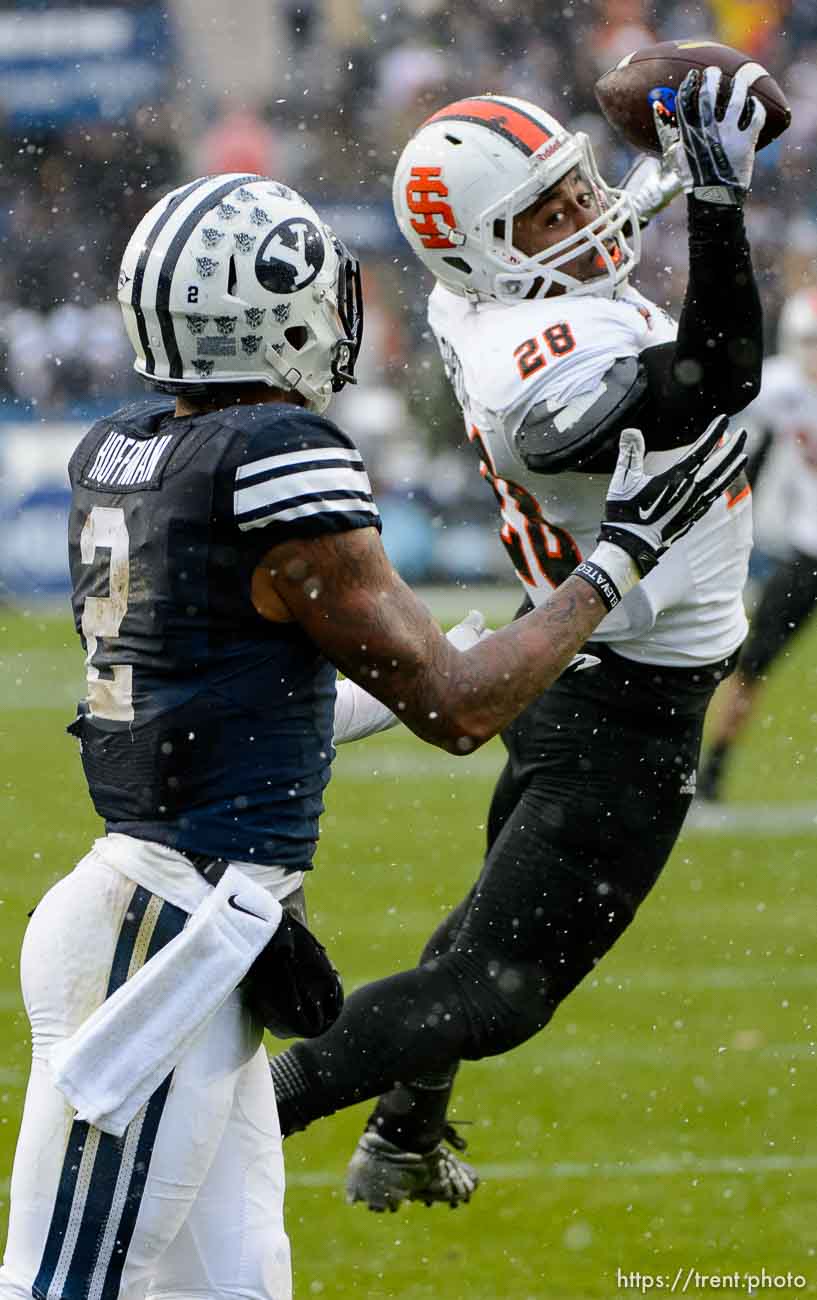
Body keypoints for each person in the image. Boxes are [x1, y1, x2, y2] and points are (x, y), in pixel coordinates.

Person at [0, 176, 741, 1300]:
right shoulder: (271, 454)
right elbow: (460, 708)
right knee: (67, 1283)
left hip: (176, 915)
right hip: (166, 931)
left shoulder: (127, 447)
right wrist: (617, 562)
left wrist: (434, 661)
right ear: (272, 311)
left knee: (234, 1288)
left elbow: (226, 705)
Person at [268, 70, 768, 1212]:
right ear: (488, 254)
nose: (585, 211)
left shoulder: (484, 293)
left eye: (575, 184)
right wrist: (720, 202)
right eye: (548, 210)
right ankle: (248, 1109)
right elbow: (715, 372)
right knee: (498, 990)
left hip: (572, 667)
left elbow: (582, 253)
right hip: (624, 704)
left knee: (483, 932)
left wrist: (660, 165)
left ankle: (403, 1134)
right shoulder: (533, 376)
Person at [697, 287, 817, 802]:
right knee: (749, 666)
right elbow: (750, 453)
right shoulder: (783, 387)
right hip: (809, 550)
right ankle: (712, 775)